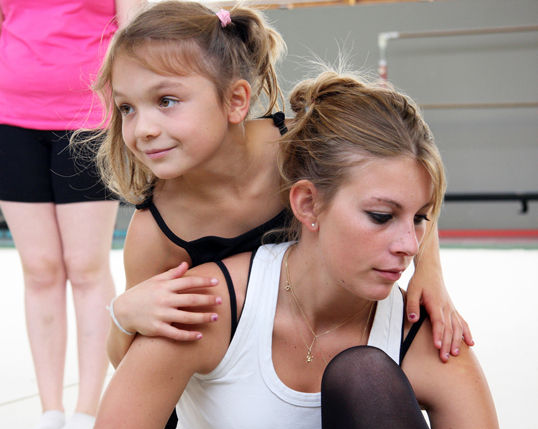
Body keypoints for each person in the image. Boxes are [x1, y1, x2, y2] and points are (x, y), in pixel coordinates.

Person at [93, 69, 500, 429]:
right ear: (307, 204)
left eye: (420, 218)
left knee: (364, 374)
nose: (409, 247)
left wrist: (433, 269)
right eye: (380, 216)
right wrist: (121, 318)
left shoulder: (428, 337)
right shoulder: (206, 304)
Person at [93, 1, 470, 370]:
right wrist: (123, 316)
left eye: (166, 101)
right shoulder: (156, 232)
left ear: (236, 100)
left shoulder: (298, 146)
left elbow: (399, 190)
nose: (143, 129)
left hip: (319, 355)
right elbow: (130, 366)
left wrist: (429, 272)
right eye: (127, 108)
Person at [0, 0, 142, 429]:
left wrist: (137, 114)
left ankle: (87, 410)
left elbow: (133, 35)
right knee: (39, 270)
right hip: (11, 122)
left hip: (90, 121)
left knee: (87, 268)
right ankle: (50, 412)